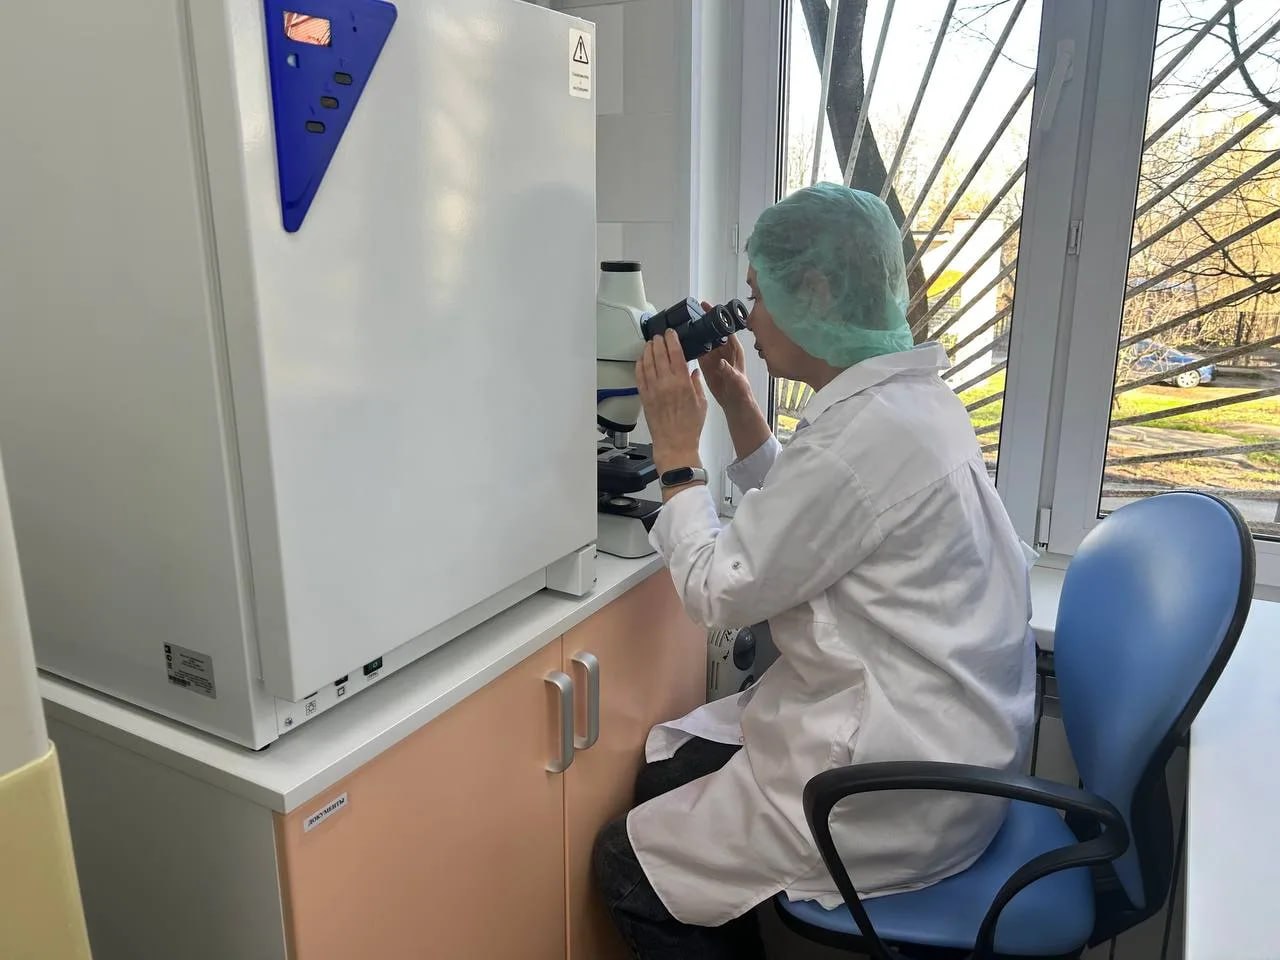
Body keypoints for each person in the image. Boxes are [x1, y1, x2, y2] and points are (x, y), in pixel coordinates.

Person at [593, 182, 1037, 960]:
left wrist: (676, 454)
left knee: (622, 866)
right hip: (943, 743)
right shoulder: (908, 404)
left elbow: (720, 589)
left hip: (891, 789)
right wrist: (737, 405)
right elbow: (822, 519)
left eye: (760, 295)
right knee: (665, 775)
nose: (749, 318)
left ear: (820, 294)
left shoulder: (859, 438)